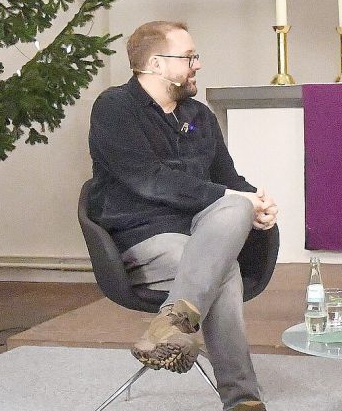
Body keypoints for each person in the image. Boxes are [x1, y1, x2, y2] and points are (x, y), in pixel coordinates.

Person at [88, 21, 278, 411]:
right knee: (222, 270)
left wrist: (256, 201)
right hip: (143, 236)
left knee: (236, 208)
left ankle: (172, 323)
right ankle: (243, 400)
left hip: (202, 232)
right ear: (156, 64)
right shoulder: (114, 108)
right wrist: (235, 199)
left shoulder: (200, 115)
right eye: (189, 57)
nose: (198, 64)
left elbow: (229, 180)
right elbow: (148, 180)